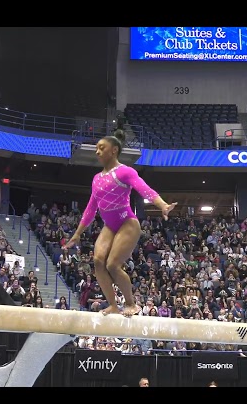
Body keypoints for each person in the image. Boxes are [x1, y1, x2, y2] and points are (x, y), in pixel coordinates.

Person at [66, 128, 176, 317]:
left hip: (127, 223)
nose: (97, 152)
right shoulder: (96, 178)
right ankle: (113, 305)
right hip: (110, 226)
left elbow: (144, 189)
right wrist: (77, 234)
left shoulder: (125, 171)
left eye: (102, 148)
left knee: (112, 265)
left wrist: (163, 205)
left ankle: (131, 304)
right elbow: (91, 209)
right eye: (96, 149)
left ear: (114, 150)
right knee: (98, 261)